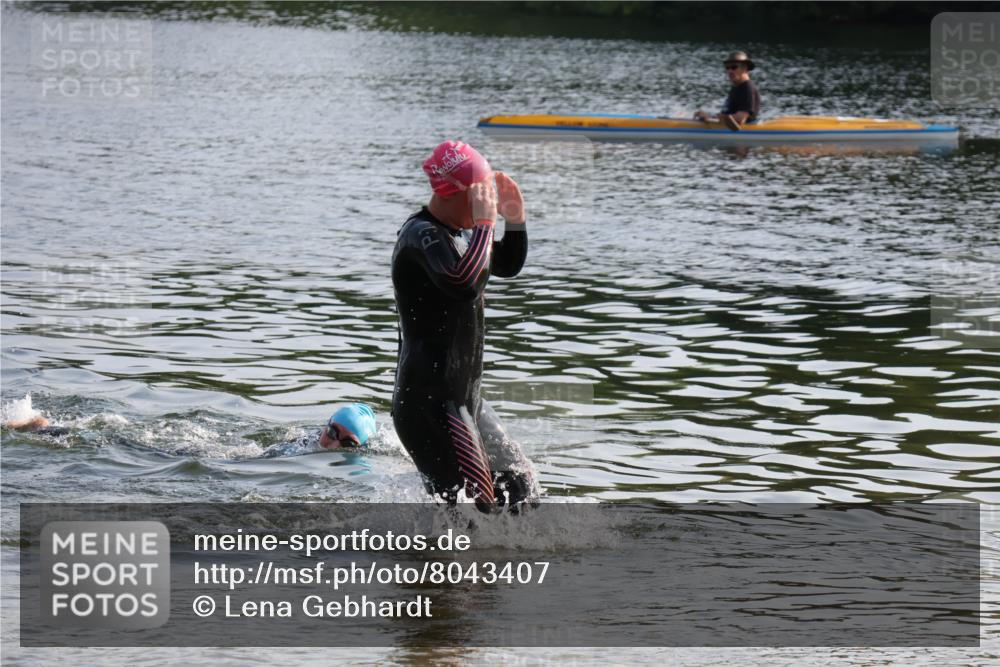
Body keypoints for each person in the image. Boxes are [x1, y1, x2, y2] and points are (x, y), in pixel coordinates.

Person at [391, 140, 538, 513]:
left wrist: (514, 217)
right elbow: (465, 282)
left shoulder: (465, 231)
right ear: (452, 193)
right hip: (428, 405)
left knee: (522, 490)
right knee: (474, 512)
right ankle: (432, 568)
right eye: (481, 194)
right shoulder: (420, 236)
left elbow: (503, 265)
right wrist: (488, 222)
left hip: (466, 399)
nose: (486, 202)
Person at [4, 403, 378, 456]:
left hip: (231, 458)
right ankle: (43, 426)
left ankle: (45, 427)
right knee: (129, 447)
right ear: (323, 426)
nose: (333, 443)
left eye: (347, 443)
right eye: (332, 431)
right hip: (225, 459)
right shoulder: (305, 444)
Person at [694, 51, 760, 131]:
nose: (730, 71)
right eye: (727, 68)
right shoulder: (736, 87)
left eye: (734, 67)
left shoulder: (747, 88)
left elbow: (740, 119)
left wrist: (711, 117)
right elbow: (727, 115)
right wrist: (709, 116)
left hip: (741, 133)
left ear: (745, 68)